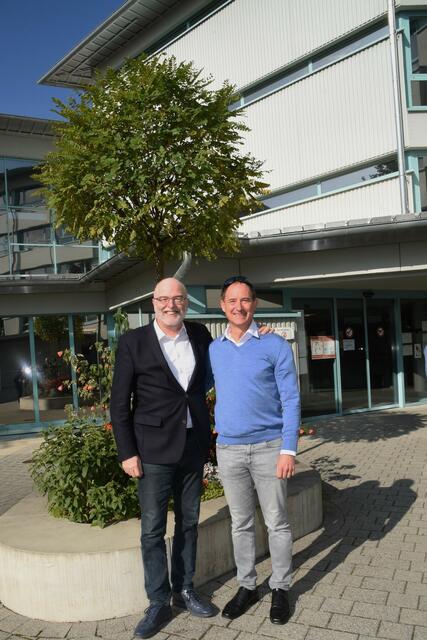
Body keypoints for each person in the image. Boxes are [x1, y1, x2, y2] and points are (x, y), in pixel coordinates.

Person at [110, 277, 215, 639]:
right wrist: (128, 452)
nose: (171, 305)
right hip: (151, 450)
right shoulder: (133, 342)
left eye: (178, 299)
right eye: (164, 299)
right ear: (153, 302)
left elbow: (215, 374)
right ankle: (157, 601)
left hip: (192, 444)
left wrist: (259, 333)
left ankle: (184, 590)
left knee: (189, 522)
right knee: (152, 529)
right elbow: (119, 403)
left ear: (187, 303)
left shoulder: (200, 335)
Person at [208, 275, 300, 625]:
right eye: (232, 301)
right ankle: (247, 586)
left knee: (277, 522)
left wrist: (288, 450)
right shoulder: (215, 349)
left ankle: (280, 588)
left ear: (254, 304)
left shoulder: (274, 346)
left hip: (269, 447)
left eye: (245, 300)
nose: (238, 306)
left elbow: (290, 399)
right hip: (229, 449)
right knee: (240, 523)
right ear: (222, 306)